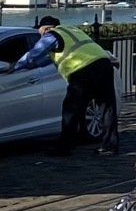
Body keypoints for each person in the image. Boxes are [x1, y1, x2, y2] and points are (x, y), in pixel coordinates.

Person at [4, 14, 120, 155]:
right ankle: (110, 146)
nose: (39, 34)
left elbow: (34, 53)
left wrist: (15, 67)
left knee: (71, 109)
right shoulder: (72, 30)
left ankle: (64, 148)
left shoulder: (51, 35)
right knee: (106, 106)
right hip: (103, 64)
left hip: (81, 69)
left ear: (46, 28)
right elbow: (48, 58)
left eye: (39, 30)